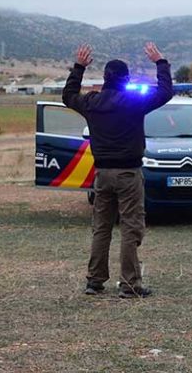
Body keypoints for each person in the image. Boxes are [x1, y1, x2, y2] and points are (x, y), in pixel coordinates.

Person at [63, 42, 174, 298]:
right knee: (130, 228)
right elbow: (166, 91)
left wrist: (79, 67)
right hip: (129, 173)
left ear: (104, 79)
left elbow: (68, 96)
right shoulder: (134, 101)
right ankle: (129, 284)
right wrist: (160, 62)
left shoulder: (92, 102)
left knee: (101, 228)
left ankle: (94, 281)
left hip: (102, 174)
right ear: (127, 80)